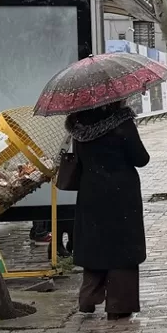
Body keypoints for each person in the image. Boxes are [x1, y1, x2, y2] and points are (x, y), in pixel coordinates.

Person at [66, 100, 150, 319]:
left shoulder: (79, 127)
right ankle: (119, 305)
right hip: (122, 194)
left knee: (95, 243)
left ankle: (88, 298)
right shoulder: (122, 123)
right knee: (123, 247)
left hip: (91, 192)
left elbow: (81, 162)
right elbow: (141, 159)